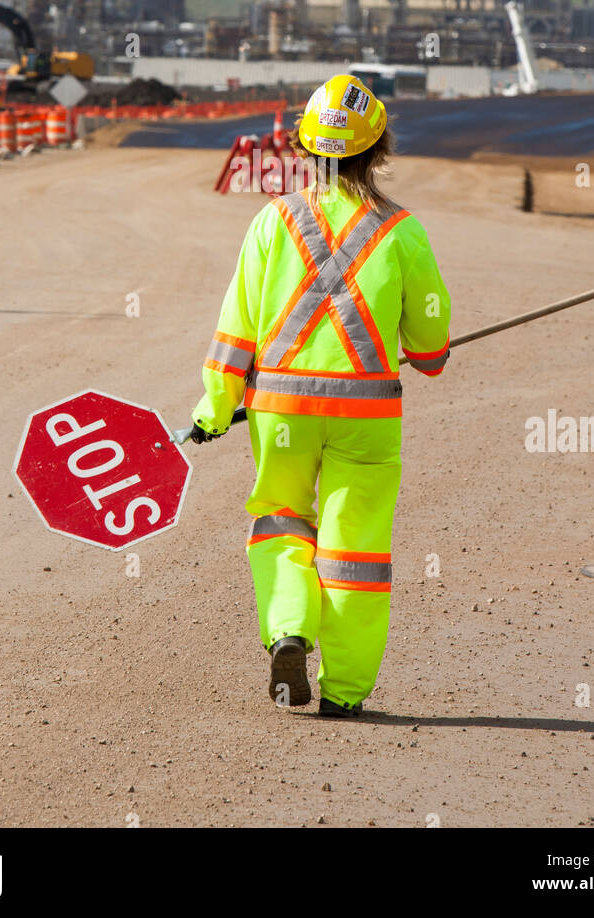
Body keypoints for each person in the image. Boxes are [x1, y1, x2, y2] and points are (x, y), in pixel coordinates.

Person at [190, 74, 450, 717]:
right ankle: (345, 691)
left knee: (281, 519)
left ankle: (289, 630)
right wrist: (430, 352)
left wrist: (215, 409)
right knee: (354, 549)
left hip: (280, 413)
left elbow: (236, 330)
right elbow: (430, 342)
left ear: (306, 149)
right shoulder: (404, 231)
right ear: (379, 148)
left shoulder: (272, 220)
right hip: (365, 417)